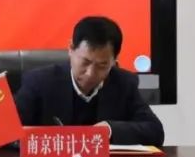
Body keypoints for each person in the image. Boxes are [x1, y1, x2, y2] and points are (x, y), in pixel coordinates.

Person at [14, 16, 164, 146]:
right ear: (71, 49)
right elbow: (7, 133)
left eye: (102, 65)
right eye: (85, 62)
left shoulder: (124, 84)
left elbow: (155, 131)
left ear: (114, 61)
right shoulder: (39, 82)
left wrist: (110, 130)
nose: (91, 73)